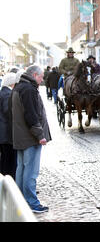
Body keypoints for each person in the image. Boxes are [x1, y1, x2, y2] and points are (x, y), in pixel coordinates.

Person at [11, 65, 51, 213]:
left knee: (21, 169)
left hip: (21, 136)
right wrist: (40, 135)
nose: (42, 80)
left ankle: (21, 200)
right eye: (41, 77)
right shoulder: (28, 89)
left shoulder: (19, 87)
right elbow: (31, 115)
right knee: (30, 172)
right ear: (34, 75)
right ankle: (31, 203)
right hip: (30, 138)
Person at [0, 73, 17, 179]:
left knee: (4, 160)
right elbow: (8, 112)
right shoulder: (7, 94)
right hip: (6, 133)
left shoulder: (3, 92)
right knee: (8, 161)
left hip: (3, 133)